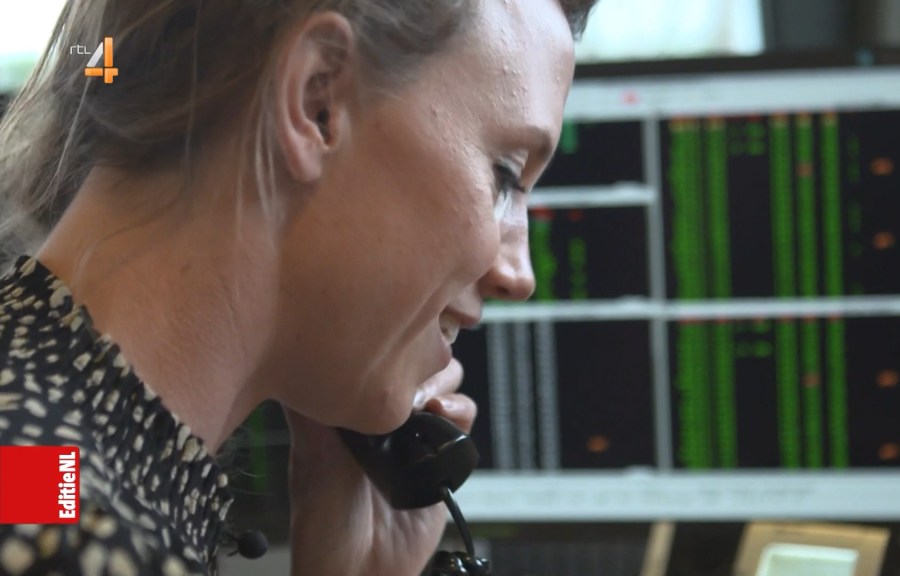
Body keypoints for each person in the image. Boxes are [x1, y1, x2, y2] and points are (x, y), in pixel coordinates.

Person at [0, 0, 597, 574]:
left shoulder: (52, 466)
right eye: (505, 175)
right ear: (317, 101)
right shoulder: (75, 542)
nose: (517, 275)